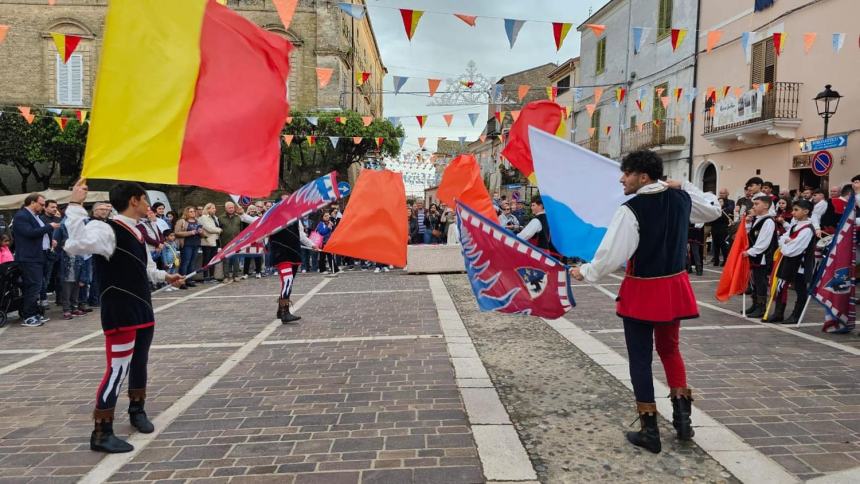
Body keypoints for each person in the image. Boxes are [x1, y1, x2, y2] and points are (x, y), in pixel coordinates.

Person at [568, 150, 720, 454]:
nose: (622, 179)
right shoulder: (683, 200)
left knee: (640, 358)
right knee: (670, 349)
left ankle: (650, 431)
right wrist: (684, 185)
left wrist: (584, 272)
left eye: (626, 174)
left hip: (643, 291)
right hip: (674, 287)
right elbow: (713, 210)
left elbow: (612, 254)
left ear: (643, 176)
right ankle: (682, 421)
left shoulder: (631, 209)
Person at [63, 179, 183, 453]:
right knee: (117, 370)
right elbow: (76, 243)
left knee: (139, 363)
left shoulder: (138, 230)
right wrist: (75, 204)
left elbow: (145, 267)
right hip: (120, 310)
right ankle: (101, 431)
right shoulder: (106, 229)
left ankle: (137, 410)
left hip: (142, 307)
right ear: (134, 200)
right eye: (145, 198)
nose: (148, 204)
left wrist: (166, 276)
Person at [12, 193, 60, 327]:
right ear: (32, 202)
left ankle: (34, 313)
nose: (43, 207)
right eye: (41, 204)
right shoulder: (21, 216)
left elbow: (41, 233)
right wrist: (50, 227)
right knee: (33, 286)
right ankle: (28, 316)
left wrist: (51, 241)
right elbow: (30, 233)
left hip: (40, 255)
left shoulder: (35, 216)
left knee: (38, 286)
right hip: (29, 257)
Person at [766, 200, 816, 324]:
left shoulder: (807, 229)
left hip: (800, 265)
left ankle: (796, 315)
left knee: (800, 289)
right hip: (788, 262)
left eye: (796, 210)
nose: (792, 212)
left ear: (806, 212)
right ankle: (778, 313)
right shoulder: (795, 225)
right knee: (781, 286)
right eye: (793, 209)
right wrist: (786, 242)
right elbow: (782, 238)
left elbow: (793, 250)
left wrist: (785, 244)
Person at [743, 196, 778, 318]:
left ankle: (761, 307)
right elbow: (750, 235)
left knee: (761, 281)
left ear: (766, 206)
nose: (753, 206)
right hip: (755, 256)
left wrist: (750, 252)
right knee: (754, 281)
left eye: (757, 204)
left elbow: (763, 242)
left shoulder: (768, 221)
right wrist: (747, 222)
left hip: (762, 257)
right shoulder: (757, 219)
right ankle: (755, 304)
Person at [173, 206, 203, 288]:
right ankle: (181, 282)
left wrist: (201, 232)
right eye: (191, 211)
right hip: (186, 244)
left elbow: (203, 235)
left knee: (192, 263)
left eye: (193, 211)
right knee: (185, 262)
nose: (193, 213)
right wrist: (190, 232)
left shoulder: (197, 221)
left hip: (196, 243)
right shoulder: (182, 221)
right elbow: (177, 233)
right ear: (186, 212)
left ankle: (189, 280)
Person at [40, 199, 62, 308]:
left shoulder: (58, 219)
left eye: (56, 207)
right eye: (52, 207)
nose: (55, 209)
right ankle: (43, 300)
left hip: (60, 252)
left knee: (60, 276)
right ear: (45, 207)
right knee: (46, 277)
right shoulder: (41, 219)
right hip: (47, 253)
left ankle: (60, 299)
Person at [220, 202, 244, 282]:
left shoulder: (238, 217)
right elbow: (218, 230)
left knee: (235, 260)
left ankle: (236, 276)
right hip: (225, 242)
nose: (231, 209)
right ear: (226, 208)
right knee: (226, 260)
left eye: (232, 207)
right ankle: (226, 277)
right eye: (229, 208)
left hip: (236, 242)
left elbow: (241, 230)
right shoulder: (220, 218)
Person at [198, 203, 222, 282]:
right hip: (207, 241)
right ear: (207, 209)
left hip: (215, 241)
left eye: (214, 208)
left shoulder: (215, 217)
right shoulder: (203, 218)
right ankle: (205, 277)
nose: (214, 209)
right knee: (206, 259)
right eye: (212, 208)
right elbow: (209, 228)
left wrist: (218, 230)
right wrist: (219, 230)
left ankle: (212, 276)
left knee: (213, 259)